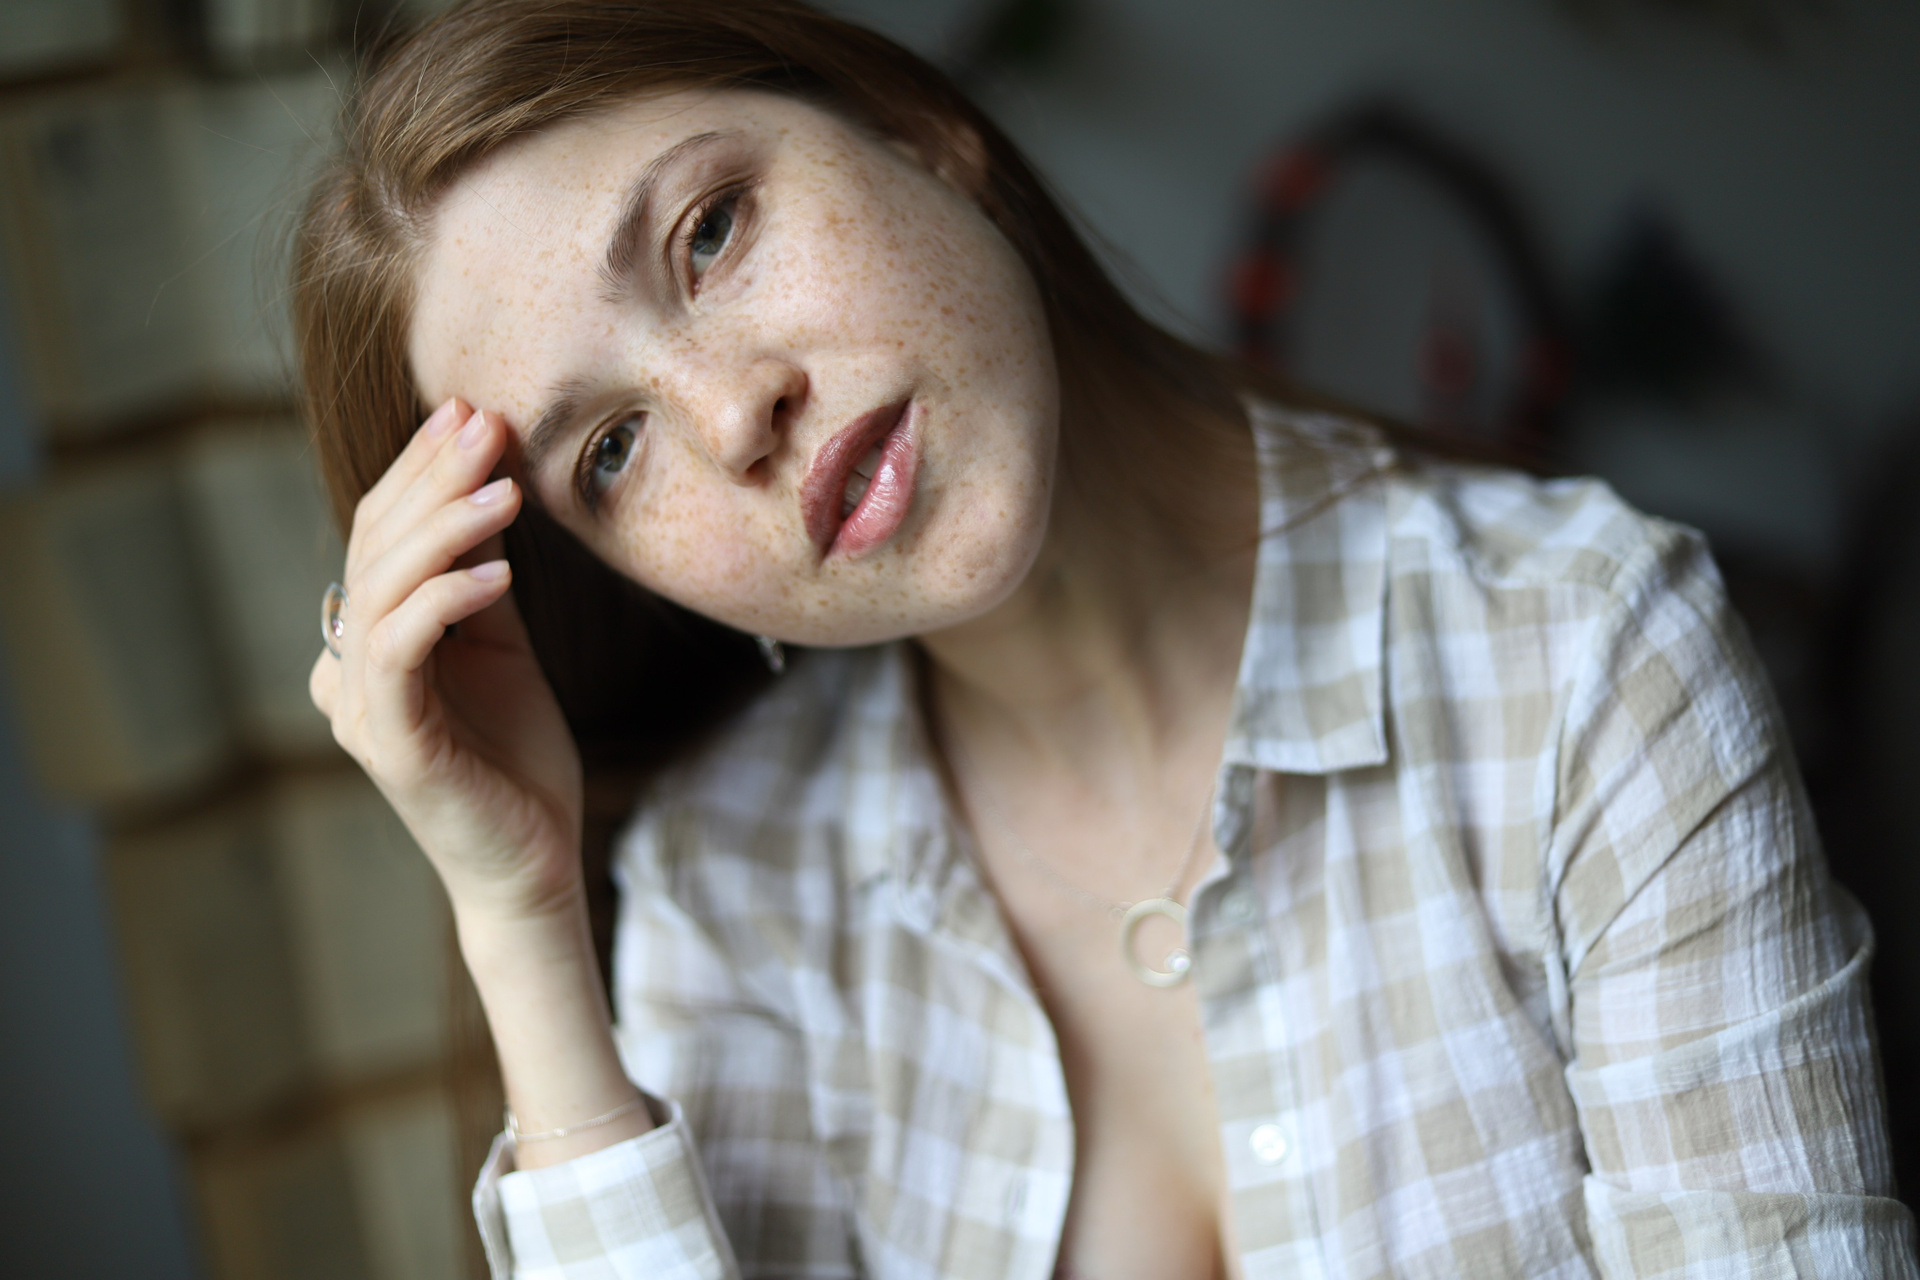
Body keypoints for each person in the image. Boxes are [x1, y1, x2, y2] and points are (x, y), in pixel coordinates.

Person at [296, 2, 1915, 1276]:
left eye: (711, 231)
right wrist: (519, 918)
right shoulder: (738, 889)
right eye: (610, 452)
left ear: (920, 132)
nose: (733, 415)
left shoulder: (1583, 656)